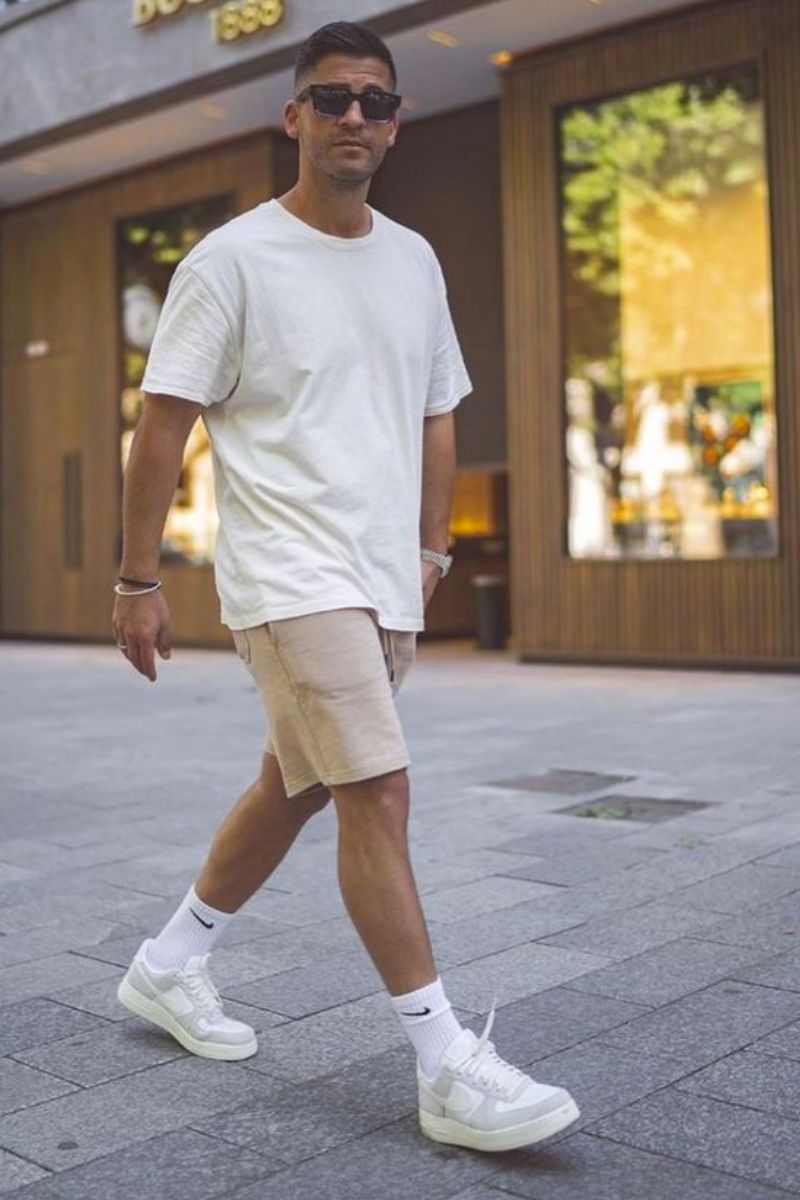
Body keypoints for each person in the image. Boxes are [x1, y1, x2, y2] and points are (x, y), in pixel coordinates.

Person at [111, 20, 579, 1153]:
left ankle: (170, 963)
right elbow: (161, 423)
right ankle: (444, 1064)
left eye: (374, 101)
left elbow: (436, 410)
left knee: (304, 780)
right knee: (376, 789)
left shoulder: (411, 257)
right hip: (286, 572)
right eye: (331, 100)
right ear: (294, 119)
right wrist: (135, 577)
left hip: (385, 580)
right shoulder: (229, 261)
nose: (355, 118)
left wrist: (428, 554)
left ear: (396, 121)